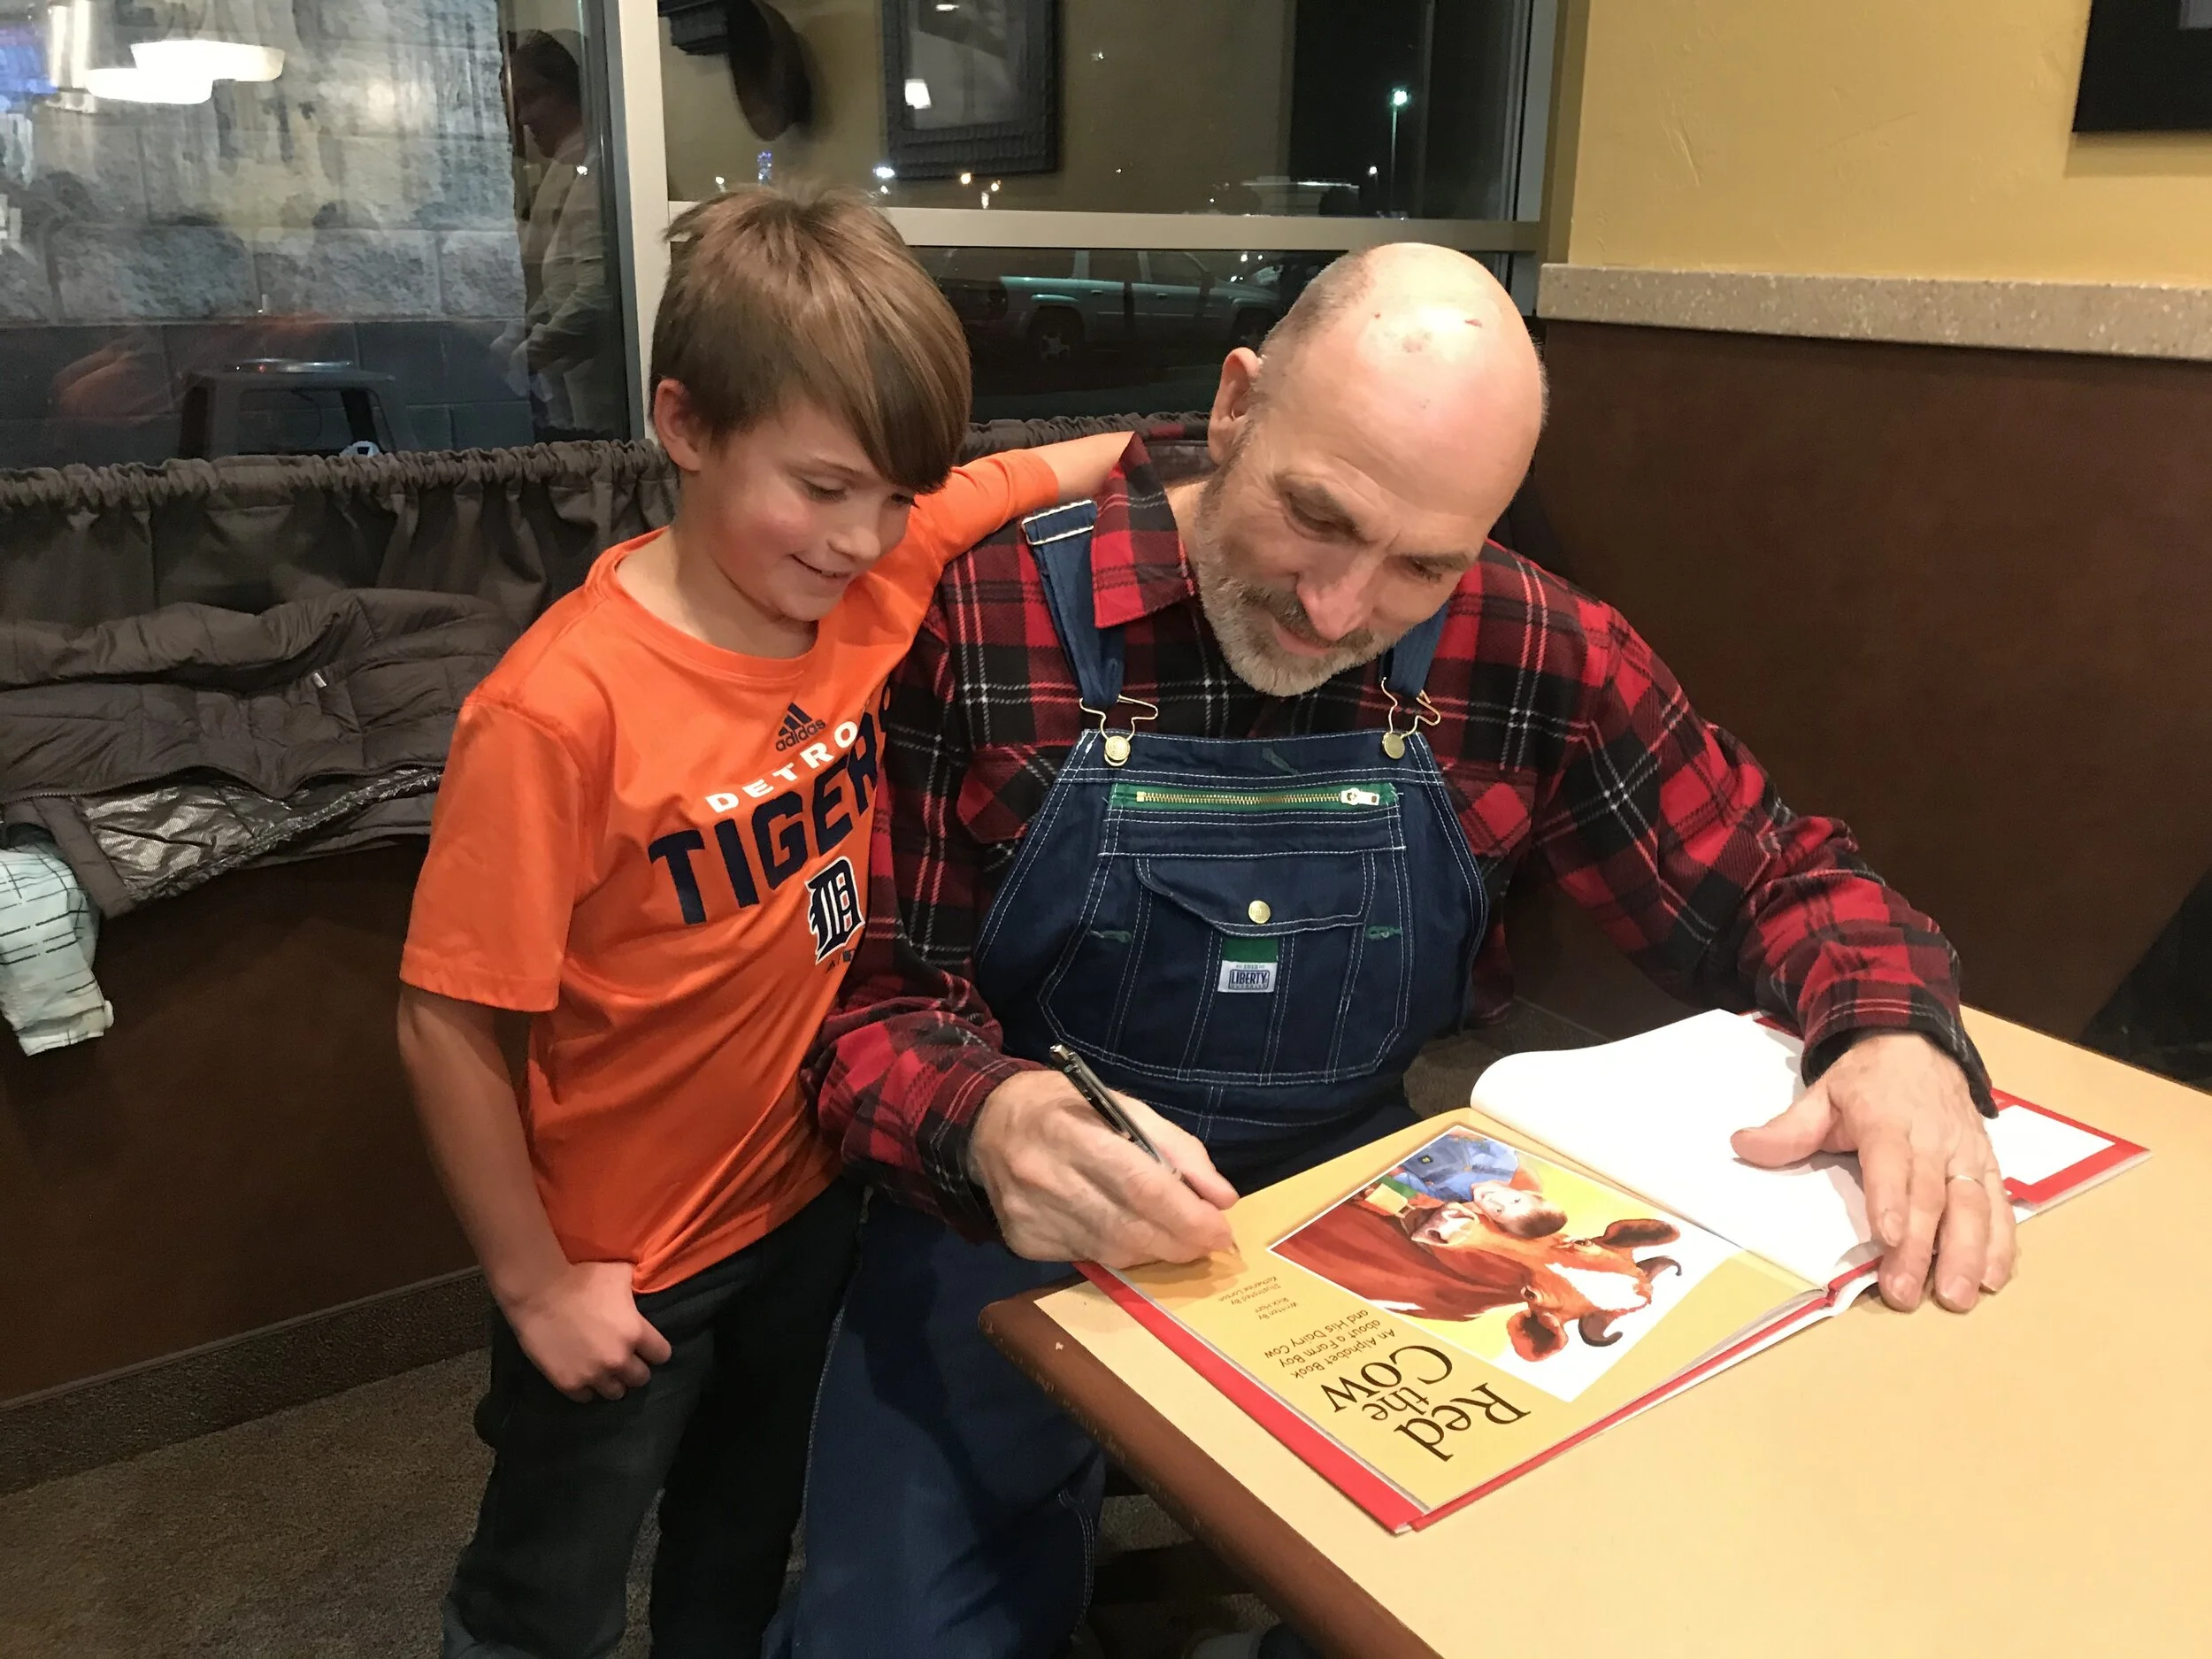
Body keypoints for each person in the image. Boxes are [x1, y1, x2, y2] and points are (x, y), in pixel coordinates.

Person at [780, 242, 2019, 1659]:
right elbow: (865, 1006)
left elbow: (1778, 874)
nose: (1338, 607)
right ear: (1237, 405)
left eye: (1422, 564)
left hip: (1353, 1187)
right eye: (1316, 518)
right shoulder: (989, 611)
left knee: (1478, 1608)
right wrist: (987, 1118)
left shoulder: (1531, 642)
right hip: (1008, 1199)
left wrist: (1892, 1033)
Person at [394, 185, 1127, 1659]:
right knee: (550, 1587)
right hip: (622, 1259)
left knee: (736, 1539)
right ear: (684, 423)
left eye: (893, 498)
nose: (862, 538)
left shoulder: (882, 570)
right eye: (823, 486)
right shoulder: (557, 712)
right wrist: (535, 1286)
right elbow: (444, 1016)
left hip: (805, 1205)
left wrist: (1215, 447)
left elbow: (1028, 473)